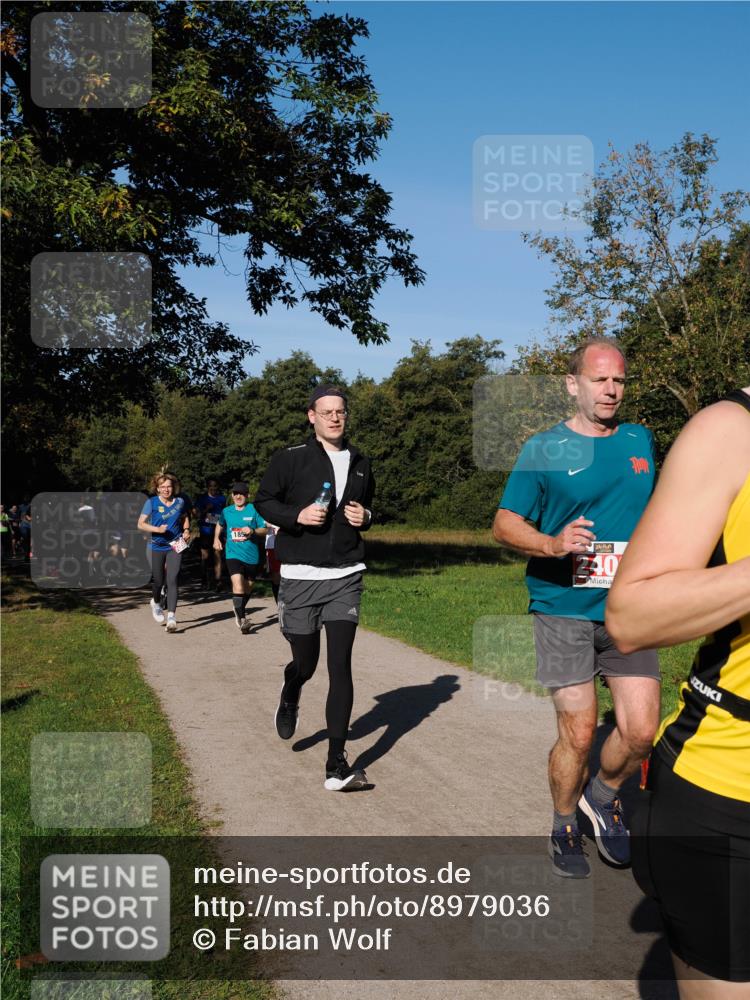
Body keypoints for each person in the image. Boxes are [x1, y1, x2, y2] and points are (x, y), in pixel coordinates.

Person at [493, 337, 660, 877]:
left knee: (639, 732)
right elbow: (505, 524)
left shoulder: (641, 439)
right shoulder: (544, 448)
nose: (611, 390)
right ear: (573, 384)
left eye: (619, 380)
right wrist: (552, 543)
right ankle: (565, 821)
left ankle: (602, 793)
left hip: (628, 609)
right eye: (599, 379)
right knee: (581, 730)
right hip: (562, 606)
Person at [606, 388, 750, 996]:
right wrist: (551, 543)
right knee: (602, 723)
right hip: (730, 791)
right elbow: (633, 616)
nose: (612, 390)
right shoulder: (730, 430)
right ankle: (586, 803)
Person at [255, 384, 375, 791]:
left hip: (345, 575)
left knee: (340, 665)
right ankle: (291, 690)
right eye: (327, 412)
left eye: (341, 411)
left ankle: (336, 764)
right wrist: (296, 516)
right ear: (312, 416)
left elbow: (369, 504)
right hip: (300, 576)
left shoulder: (361, 461)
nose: (335, 418)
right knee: (305, 664)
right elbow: (264, 501)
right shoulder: (290, 459)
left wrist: (367, 515)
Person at [137, 473, 191, 632]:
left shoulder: (180, 502)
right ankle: (156, 602)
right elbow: (140, 524)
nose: (166, 489)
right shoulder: (151, 502)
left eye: (169, 486)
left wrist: (187, 530)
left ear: (173, 487)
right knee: (158, 581)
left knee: (173, 578)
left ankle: (172, 617)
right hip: (156, 545)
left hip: (176, 543)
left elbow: (185, 517)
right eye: (162, 487)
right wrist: (156, 529)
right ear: (157, 489)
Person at [213, 482, 267, 633]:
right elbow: (219, 524)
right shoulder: (227, 511)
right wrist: (216, 539)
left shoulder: (254, 509)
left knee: (248, 587)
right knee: (237, 585)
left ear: (247, 496)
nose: (238, 496)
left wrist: (252, 531)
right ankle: (242, 619)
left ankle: (239, 607)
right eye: (236, 493)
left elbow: (264, 529)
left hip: (252, 555)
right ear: (232, 495)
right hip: (233, 554)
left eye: (242, 494)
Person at [194, 478, 226, 590]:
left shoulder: (222, 498)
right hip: (205, 531)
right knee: (205, 557)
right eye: (211, 486)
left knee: (218, 555)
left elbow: (224, 514)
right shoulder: (202, 499)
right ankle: (204, 580)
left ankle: (218, 581)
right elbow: (197, 515)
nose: (213, 488)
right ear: (207, 487)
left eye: (215, 486)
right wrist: (206, 510)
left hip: (218, 532)